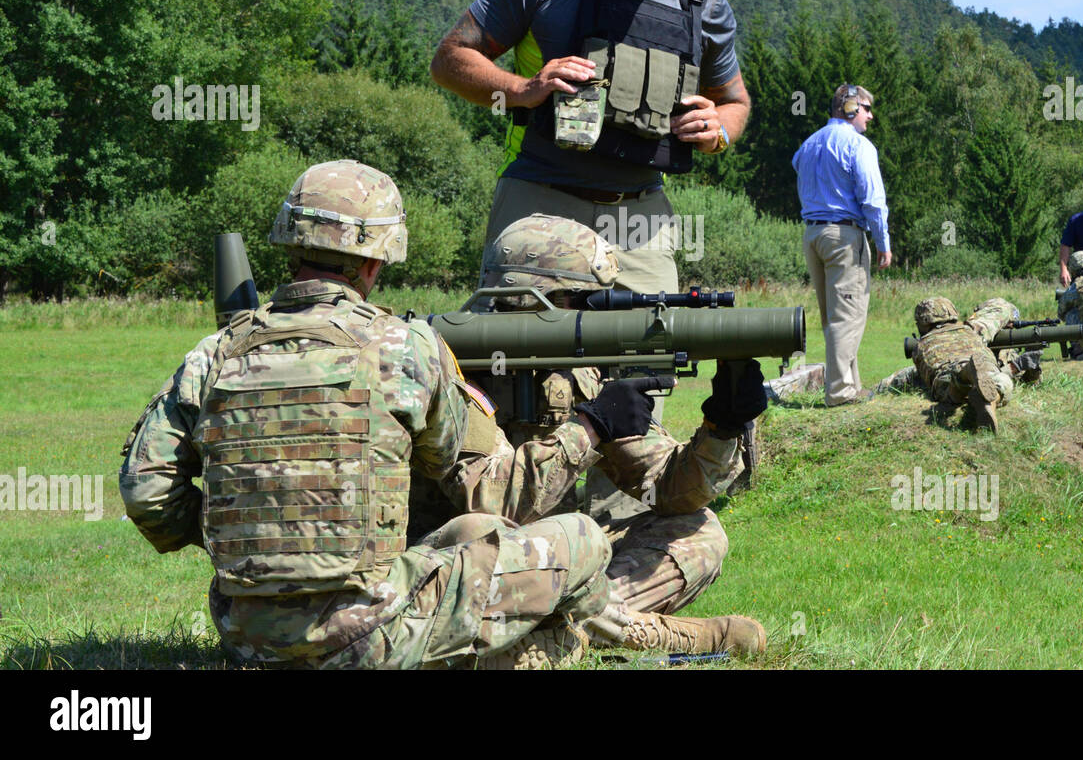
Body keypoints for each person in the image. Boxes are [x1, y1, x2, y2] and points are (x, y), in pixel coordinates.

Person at [120, 160, 628, 670]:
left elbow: (146, 492)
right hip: (371, 635)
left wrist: (239, 536)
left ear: (291, 246)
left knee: (472, 529)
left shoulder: (214, 352)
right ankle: (548, 646)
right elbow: (449, 456)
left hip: (248, 638)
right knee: (580, 537)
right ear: (374, 262)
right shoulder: (406, 346)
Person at [407, 214, 768, 656]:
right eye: (581, 299)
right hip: (464, 568)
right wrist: (590, 428)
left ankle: (563, 633)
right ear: (526, 298)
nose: (597, 313)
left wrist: (721, 426)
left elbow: (667, 489)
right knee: (510, 534)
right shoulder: (452, 371)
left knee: (698, 531)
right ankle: (610, 633)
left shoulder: (577, 367)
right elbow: (493, 502)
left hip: (558, 558)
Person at [431, 0, 751, 295]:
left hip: (642, 218)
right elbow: (449, 59)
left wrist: (719, 130)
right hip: (538, 202)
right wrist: (523, 88)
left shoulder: (704, 2)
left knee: (650, 359)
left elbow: (734, 102)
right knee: (525, 355)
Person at [793, 83, 891, 406]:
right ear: (849, 109)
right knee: (848, 316)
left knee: (833, 317)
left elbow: (797, 167)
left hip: (813, 236)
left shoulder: (808, 145)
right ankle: (840, 392)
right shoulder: (859, 145)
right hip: (844, 237)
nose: (870, 115)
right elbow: (873, 201)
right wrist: (882, 242)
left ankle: (851, 384)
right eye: (865, 108)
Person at [870, 297, 1041, 433]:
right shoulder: (971, 331)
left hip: (947, 374)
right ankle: (992, 398)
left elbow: (906, 377)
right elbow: (1000, 309)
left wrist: (874, 390)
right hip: (983, 362)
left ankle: (964, 375)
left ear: (922, 323)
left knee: (951, 385)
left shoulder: (922, 345)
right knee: (1002, 380)